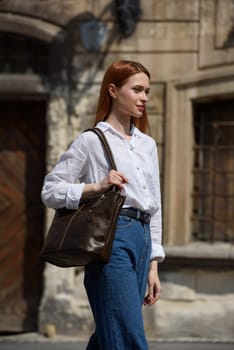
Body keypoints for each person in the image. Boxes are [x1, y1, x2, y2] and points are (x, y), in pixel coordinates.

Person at [41, 60, 165, 350]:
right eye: (136, 90)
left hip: (142, 239)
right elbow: (51, 191)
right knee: (127, 336)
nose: (144, 97)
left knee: (109, 335)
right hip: (113, 240)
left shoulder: (147, 144)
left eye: (146, 90)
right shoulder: (90, 141)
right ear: (113, 90)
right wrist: (96, 186)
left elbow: (154, 206)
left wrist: (153, 264)